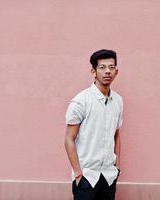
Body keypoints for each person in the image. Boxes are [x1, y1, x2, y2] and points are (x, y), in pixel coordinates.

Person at [64, 49, 123, 200]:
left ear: (116, 71)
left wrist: (117, 167)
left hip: (109, 176)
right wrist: (78, 173)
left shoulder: (118, 101)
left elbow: (116, 134)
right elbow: (69, 139)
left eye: (111, 67)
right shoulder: (81, 101)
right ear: (93, 71)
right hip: (87, 176)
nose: (107, 71)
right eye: (102, 67)